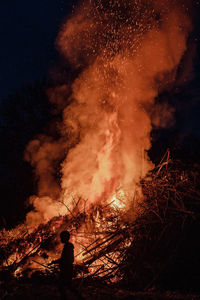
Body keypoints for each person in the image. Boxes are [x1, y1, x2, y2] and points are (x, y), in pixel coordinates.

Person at [50, 230, 83, 300]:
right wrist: (54, 262)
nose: (61, 239)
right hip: (66, 269)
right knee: (66, 286)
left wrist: (59, 262)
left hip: (66, 270)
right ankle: (79, 297)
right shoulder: (67, 247)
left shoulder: (68, 247)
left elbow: (68, 259)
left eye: (62, 237)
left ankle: (79, 297)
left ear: (65, 238)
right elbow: (64, 259)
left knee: (63, 286)